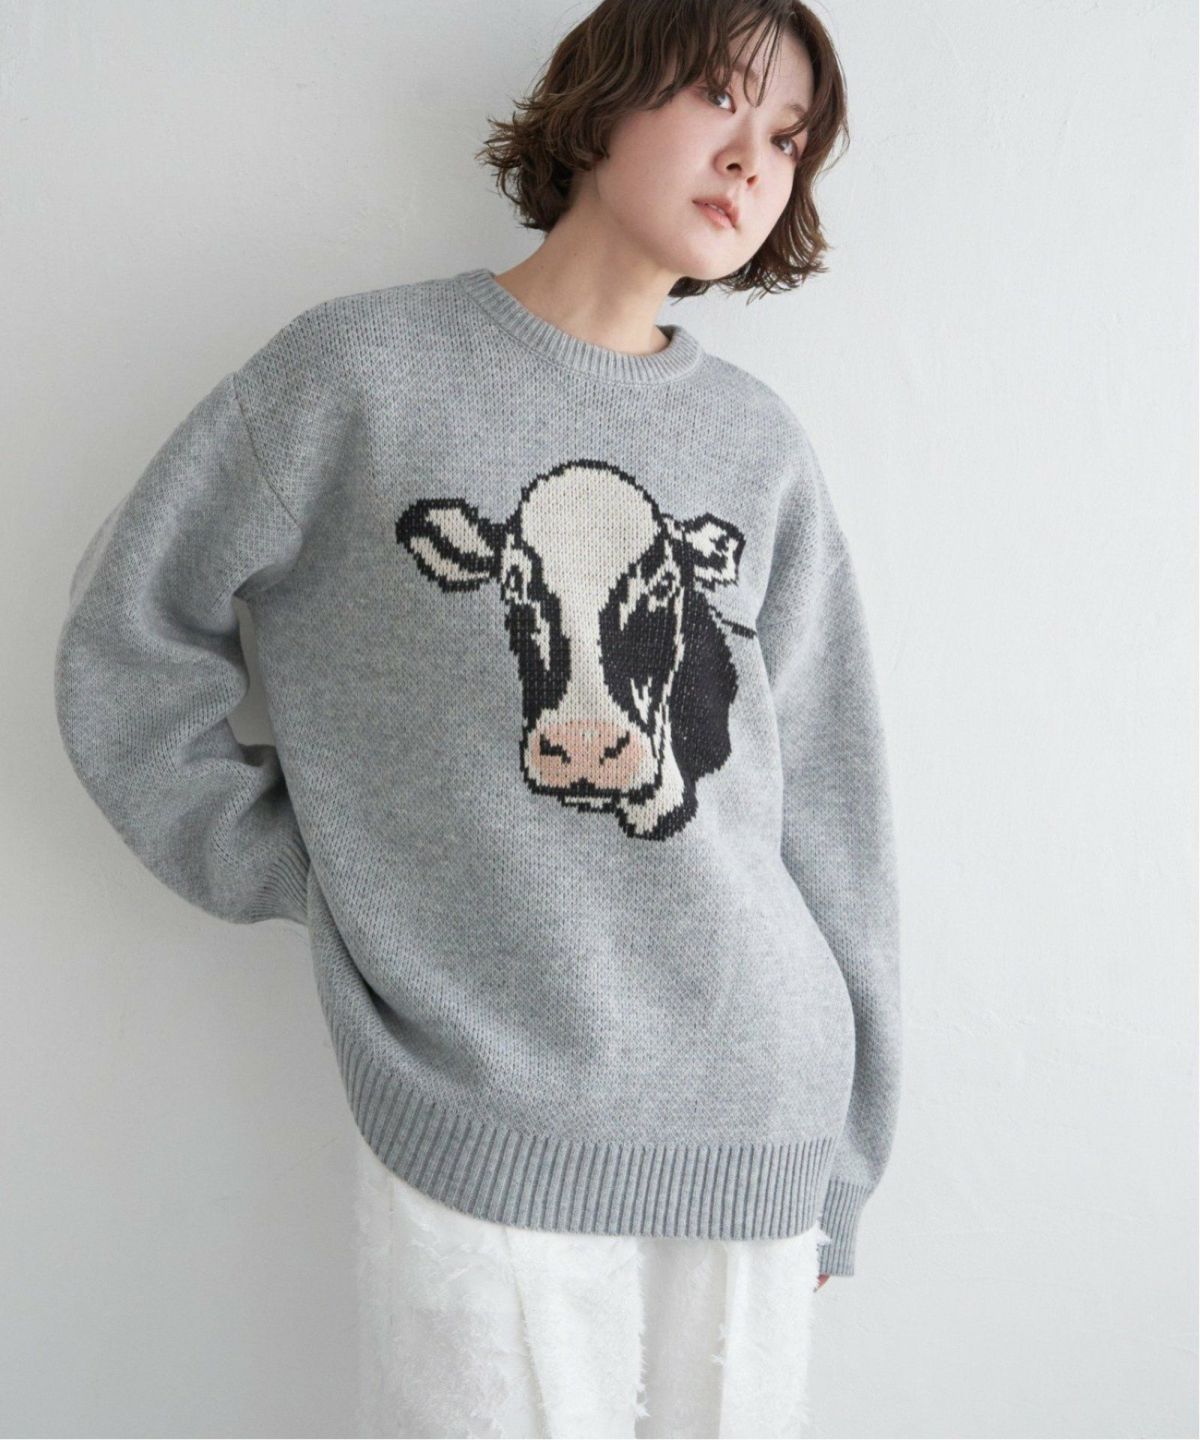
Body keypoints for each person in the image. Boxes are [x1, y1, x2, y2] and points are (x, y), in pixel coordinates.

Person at [52, 0, 902, 1435]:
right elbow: (125, 648)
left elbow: (828, 798)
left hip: (756, 1109)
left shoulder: (755, 446)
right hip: (479, 1101)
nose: (753, 159)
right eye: (719, 99)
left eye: (789, 138)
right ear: (606, 95)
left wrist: (847, 1163)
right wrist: (317, 869)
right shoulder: (357, 374)